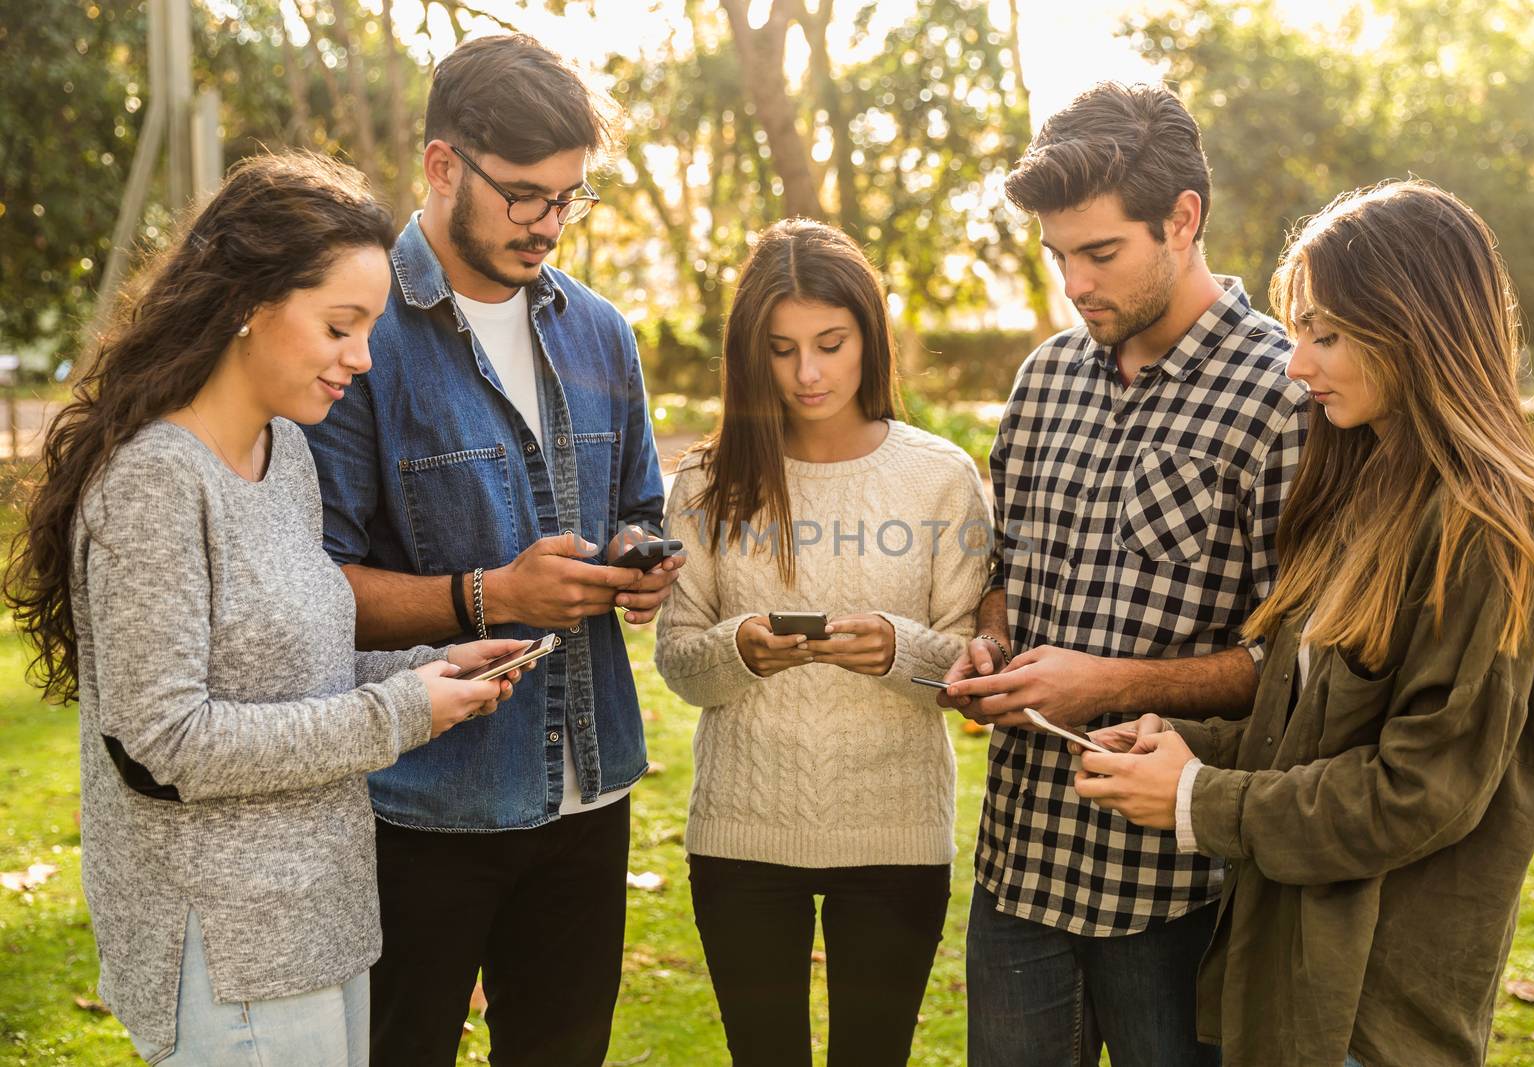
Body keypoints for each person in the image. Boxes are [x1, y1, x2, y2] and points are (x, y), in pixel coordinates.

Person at [1, 152, 527, 1065]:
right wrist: (399, 712)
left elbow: (298, 667)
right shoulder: (157, 485)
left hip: (324, 919)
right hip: (228, 953)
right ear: (249, 301)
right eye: (340, 326)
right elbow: (162, 741)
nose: (360, 360)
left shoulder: (286, 454)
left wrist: (432, 670)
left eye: (368, 329)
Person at [1073, 180, 1534, 1067]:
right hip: (1289, 986)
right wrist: (1189, 744)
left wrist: (1201, 800)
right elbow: (1314, 729)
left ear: (1415, 327)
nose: (1296, 364)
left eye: (1328, 335)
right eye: (1299, 333)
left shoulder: (1492, 525)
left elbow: (1419, 791)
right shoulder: (1364, 487)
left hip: (1375, 1012)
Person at [299, 35, 680, 1066]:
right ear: (440, 166)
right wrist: (490, 593)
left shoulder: (603, 332)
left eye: (569, 196)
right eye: (523, 195)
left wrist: (640, 556)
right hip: (422, 802)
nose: (549, 223)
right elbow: (311, 589)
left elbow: (639, 501)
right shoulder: (355, 336)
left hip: (592, 789)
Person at [936, 82, 1308, 1066]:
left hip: (1178, 884)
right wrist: (993, 641)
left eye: (1099, 253)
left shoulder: (1286, 398)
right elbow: (1004, 571)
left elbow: (1297, 665)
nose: (1074, 282)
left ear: (1182, 219)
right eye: (1059, 256)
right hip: (1019, 866)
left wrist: (1107, 683)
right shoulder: (1043, 377)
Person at [653, 218, 989, 1066]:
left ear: (868, 338)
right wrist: (739, 649)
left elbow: (971, 666)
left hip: (896, 832)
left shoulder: (940, 475)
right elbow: (679, 658)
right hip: (740, 831)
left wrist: (897, 651)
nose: (808, 373)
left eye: (831, 344)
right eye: (782, 348)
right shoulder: (705, 480)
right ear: (749, 354)